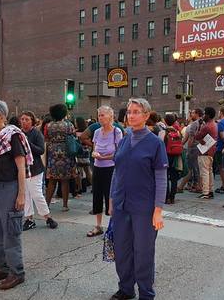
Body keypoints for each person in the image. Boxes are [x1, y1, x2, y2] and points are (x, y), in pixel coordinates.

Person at [109, 98, 167, 300]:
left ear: (146, 116)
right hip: (121, 204)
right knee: (122, 250)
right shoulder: (124, 139)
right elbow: (117, 172)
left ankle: (146, 293)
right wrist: (111, 200)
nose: (131, 115)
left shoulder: (155, 143)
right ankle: (126, 289)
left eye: (135, 112)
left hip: (144, 208)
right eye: (129, 112)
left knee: (143, 253)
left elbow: (161, 178)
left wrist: (158, 209)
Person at [0, 99, 31, 290]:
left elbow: (21, 167)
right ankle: (2, 268)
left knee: (11, 232)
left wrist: (21, 195)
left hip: (10, 188)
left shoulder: (13, 136)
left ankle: (16, 272)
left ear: (2, 116)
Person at [20, 111, 58, 231]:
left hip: (35, 168)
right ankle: (29, 219)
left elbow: (41, 150)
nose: (24, 121)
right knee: (26, 194)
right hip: (23, 168)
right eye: (22, 119)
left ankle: (47, 217)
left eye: (27, 119)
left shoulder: (36, 133)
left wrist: (27, 143)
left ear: (32, 121)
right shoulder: (19, 133)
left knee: (36, 193)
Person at [87, 106, 122, 237]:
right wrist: (95, 154)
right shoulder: (97, 132)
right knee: (97, 195)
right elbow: (94, 149)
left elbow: (119, 153)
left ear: (110, 116)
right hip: (97, 167)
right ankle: (98, 225)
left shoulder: (116, 132)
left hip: (111, 167)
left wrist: (104, 157)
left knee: (111, 196)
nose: (100, 118)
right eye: (99, 115)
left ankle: (113, 226)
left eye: (102, 115)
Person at [44, 104, 76, 211]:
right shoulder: (69, 125)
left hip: (53, 154)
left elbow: (46, 138)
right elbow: (73, 136)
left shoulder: (48, 126)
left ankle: (46, 204)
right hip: (66, 153)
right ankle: (65, 205)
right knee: (65, 180)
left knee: (52, 181)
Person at [194, 107, 218, 199]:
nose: (203, 116)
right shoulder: (214, 124)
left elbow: (197, 136)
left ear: (208, 115)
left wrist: (200, 126)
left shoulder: (206, 126)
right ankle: (210, 191)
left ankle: (205, 192)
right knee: (209, 171)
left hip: (204, 151)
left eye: (204, 114)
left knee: (204, 172)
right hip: (211, 150)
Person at [163, 113, 181, 204]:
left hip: (166, 155)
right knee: (174, 177)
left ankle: (166, 197)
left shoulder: (165, 131)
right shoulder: (177, 131)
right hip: (176, 155)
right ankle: (172, 197)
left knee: (165, 177)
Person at [215, 106, 224, 194]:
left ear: (221, 113)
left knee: (222, 168)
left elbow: (223, 137)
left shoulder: (220, 123)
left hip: (221, 148)